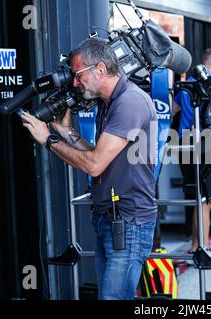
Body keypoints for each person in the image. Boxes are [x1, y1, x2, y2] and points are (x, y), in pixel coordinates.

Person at [21, 37, 157, 300]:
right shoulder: (109, 103)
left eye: (77, 74)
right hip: (111, 218)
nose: (74, 82)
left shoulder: (129, 103)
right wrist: (65, 133)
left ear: (101, 70)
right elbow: (97, 154)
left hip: (128, 222)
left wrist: (48, 140)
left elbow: (94, 165)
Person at [175, 48, 211, 253]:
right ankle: (200, 247)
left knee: (198, 197)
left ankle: (196, 245)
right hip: (206, 144)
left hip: (184, 142)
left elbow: (173, 109)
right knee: (206, 200)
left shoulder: (185, 87)